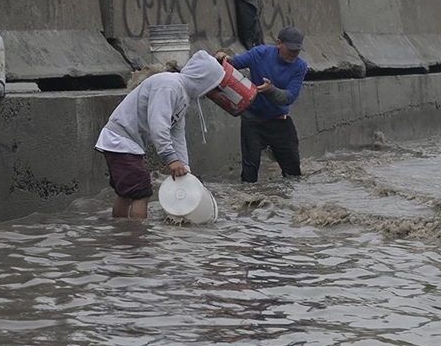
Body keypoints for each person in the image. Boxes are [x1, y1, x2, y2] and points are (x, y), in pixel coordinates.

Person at [94, 50, 226, 218]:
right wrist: (171, 159)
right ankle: (137, 238)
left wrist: (184, 167)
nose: (212, 90)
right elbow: (159, 125)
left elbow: (177, 133)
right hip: (121, 140)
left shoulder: (183, 97)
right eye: (212, 84)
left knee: (126, 193)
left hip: (125, 142)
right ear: (202, 79)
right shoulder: (169, 85)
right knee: (141, 192)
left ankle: (121, 234)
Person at [215, 26, 308, 182]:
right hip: (253, 120)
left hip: (280, 121)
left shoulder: (300, 66)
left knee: (293, 175)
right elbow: (232, 65)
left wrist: (270, 90)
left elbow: (289, 97)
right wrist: (221, 57)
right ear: (279, 43)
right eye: (291, 49)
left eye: (297, 51)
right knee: (249, 175)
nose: (294, 54)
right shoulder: (260, 53)